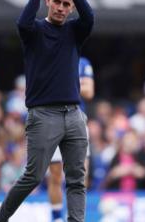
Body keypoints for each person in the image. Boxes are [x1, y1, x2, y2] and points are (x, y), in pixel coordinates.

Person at [0, 0, 94, 222]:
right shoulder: (35, 30)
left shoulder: (74, 31)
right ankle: (0, 218)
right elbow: (22, 23)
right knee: (34, 176)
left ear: (71, 9)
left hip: (73, 115)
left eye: (66, 4)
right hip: (43, 115)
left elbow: (90, 18)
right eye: (57, 2)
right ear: (49, 2)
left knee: (77, 179)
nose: (61, 7)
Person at [48, 56, 94, 222]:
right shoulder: (47, 58)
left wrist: (64, 82)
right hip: (53, 121)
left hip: (78, 121)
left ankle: (75, 216)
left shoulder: (82, 63)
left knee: (81, 177)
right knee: (55, 175)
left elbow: (89, 91)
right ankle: (56, 218)